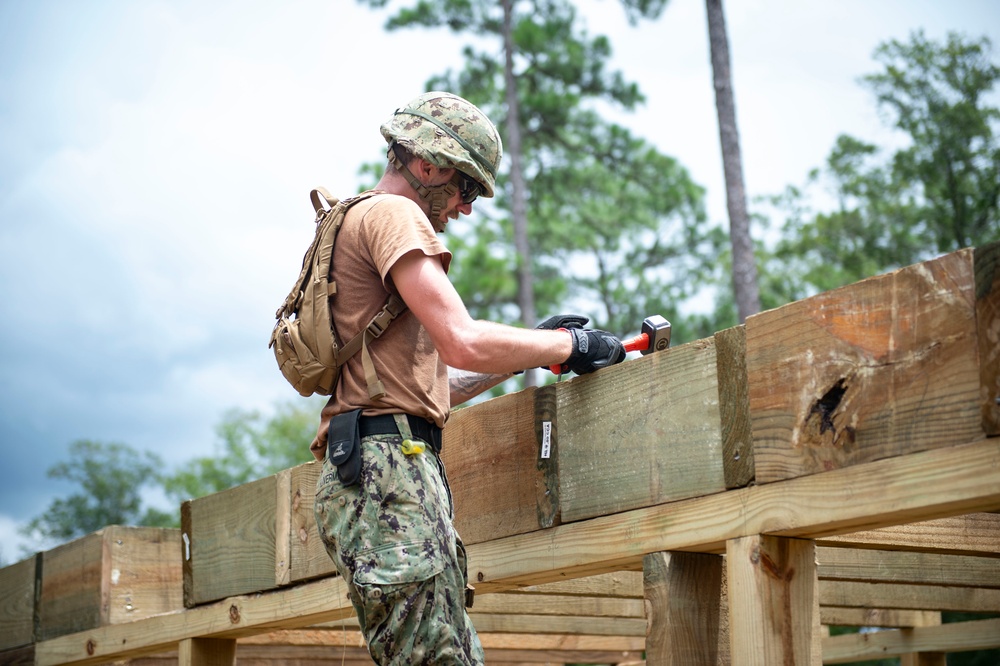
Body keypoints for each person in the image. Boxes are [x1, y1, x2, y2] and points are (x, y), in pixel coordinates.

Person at [311, 91, 625, 665]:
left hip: (380, 464)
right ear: (427, 164)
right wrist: (572, 345)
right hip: (388, 470)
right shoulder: (392, 214)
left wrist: (532, 351)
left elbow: (439, 384)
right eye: (467, 186)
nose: (467, 205)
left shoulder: (357, 221)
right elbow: (464, 338)